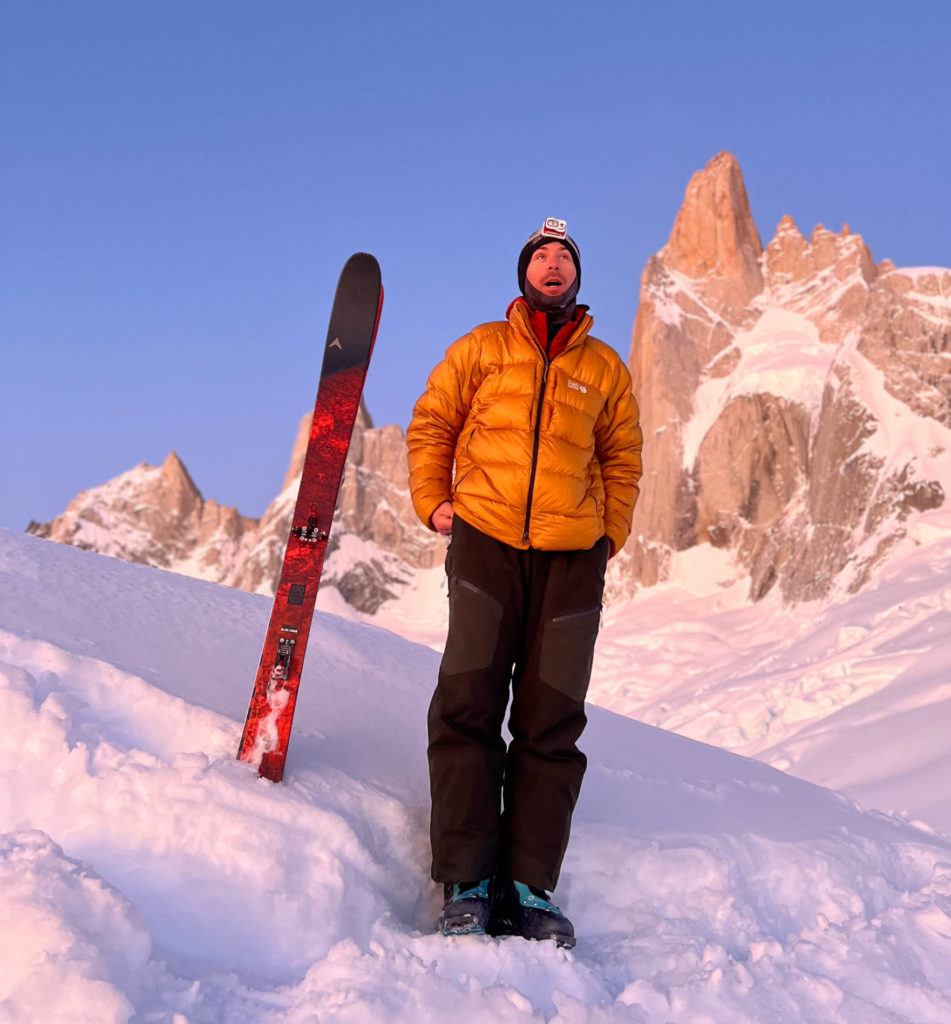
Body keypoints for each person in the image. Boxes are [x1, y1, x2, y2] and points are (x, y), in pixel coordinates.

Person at [406, 217, 643, 948]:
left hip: (573, 560)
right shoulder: (481, 347)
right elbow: (432, 422)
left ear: (576, 277)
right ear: (523, 272)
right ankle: (467, 879)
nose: (551, 264)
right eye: (540, 255)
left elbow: (621, 456)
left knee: (551, 719)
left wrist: (609, 535)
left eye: (562, 257)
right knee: (469, 701)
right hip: (485, 543)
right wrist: (434, 501)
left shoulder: (603, 367)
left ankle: (529, 886)